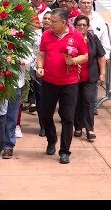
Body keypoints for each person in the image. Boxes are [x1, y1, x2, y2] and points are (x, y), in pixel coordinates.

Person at [36, 8, 88, 164]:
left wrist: (73, 61)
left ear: (64, 22)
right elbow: (42, 54)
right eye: (50, 21)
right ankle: (51, 140)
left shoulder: (76, 36)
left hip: (69, 83)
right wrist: (40, 66)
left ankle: (65, 151)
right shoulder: (46, 35)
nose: (50, 24)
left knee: (67, 118)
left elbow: (84, 56)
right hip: (49, 81)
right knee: (45, 115)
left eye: (54, 21)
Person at [72, 15, 106, 142]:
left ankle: (89, 128)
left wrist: (102, 74)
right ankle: (78, 126)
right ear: (74, 26)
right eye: (79, 25)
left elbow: (101, 56)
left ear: (88, 27)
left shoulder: (93, 39)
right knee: (76, 102)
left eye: (84, 25)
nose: (82, 27)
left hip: (90, 76)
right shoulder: (71, 39)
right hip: (74, 77)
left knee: (89, 101)